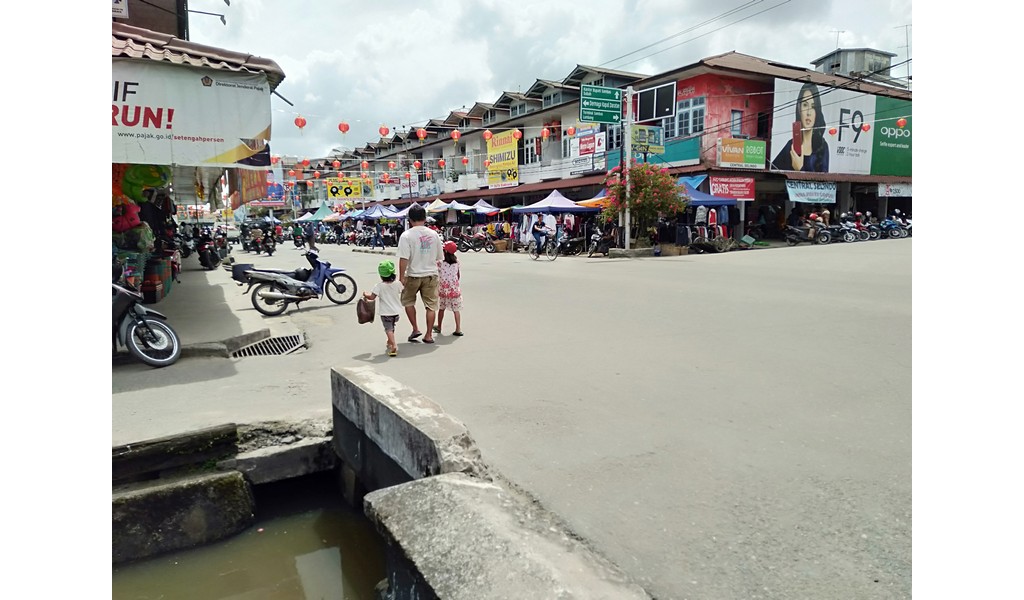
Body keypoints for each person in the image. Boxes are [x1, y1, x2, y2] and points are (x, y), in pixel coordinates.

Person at [397, 205, 444, 344]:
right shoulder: (434, 234)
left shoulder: (406, 235)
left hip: (412, 274)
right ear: (425, 218)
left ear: (410, 220)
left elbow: (403, 258)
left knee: (408, 302)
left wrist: (401, 277)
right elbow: (439, 257)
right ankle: (429, 335)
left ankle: (415, 328)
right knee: (431, 306)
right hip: (431, 275)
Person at [771, 82, 830, 172]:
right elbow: (773, 172)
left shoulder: (822, 147)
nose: (809, 112)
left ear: (817, 111)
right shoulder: (790, 147)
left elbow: (823, 183)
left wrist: (799, 169)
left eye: (813, 107)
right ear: (799, 108)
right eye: (805, 105)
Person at [363, 260, 404, 357]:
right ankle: (390, 341)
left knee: (388, 329)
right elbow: (402, 290)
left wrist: (365, 294)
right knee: (392, 327)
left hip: (386, 313)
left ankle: (393, 345)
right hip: (396, 312)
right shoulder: (398, 284)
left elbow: (372, 297)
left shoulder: (379, 286)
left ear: (381, 275)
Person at [433, 240, 464, 337]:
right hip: (454, 289)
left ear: (445, 251)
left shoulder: (440, 263)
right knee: (456, 309)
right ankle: (458, 329)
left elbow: (437, 274)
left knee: (441, 309)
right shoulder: (457, 262)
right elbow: (458, 275)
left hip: (443, 288)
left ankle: (439, 327)